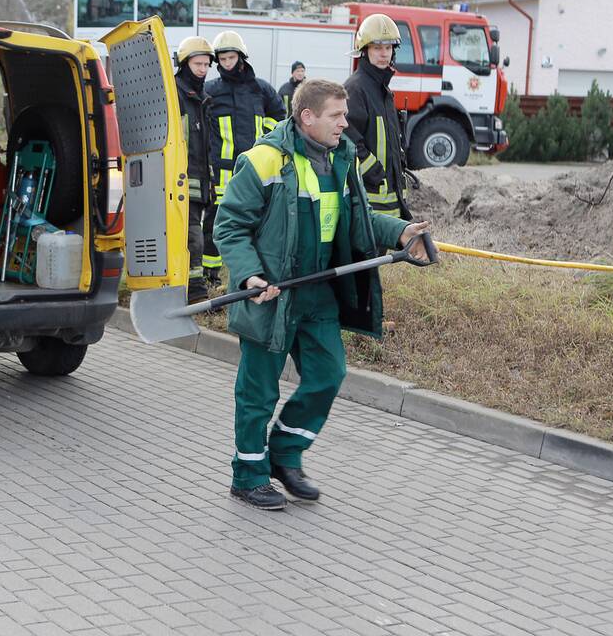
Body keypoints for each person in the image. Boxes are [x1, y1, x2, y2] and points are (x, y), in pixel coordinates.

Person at [213, 78, 431, 510]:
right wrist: (248, 278)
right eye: (337, 115)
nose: (345, 124)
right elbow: (229, 226)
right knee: (258, 392)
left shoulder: (341, 160)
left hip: (317, 294)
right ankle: (248, 476)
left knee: (329, 373)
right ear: (307, 117)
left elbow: (358, 218)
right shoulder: (263, 161)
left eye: (345, 115)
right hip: (271, 295)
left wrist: (401, 231)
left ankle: (285, 455)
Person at [202, 30, 285, 288]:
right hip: (222, 172)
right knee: (217, 223)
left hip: (256, 170)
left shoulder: (261, 89)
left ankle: (256, 273)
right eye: (223, 59)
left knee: (259, 222)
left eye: (231, 57)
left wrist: (264, 138)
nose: (227, 63)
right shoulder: (211, 91)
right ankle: (211, 275)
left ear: (241, 57)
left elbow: (280, 117)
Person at [344, 13, 412, 219]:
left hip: (390, 198)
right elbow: (347, 138)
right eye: (377, 48)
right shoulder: (356, 89)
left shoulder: (383, 90)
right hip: (370, 198)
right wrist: (374, 172)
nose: (384, 54)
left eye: (388, 48)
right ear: (364, 51)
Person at [174, 36, 216, 304]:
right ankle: (196, 291)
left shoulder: (201, 97)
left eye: (205, 64)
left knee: (193, 234)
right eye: (198, 63)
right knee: (192, 236)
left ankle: (187, 286)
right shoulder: (175, 92)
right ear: (185, 63)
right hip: (180, 178)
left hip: (199, 179)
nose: (203, 69)